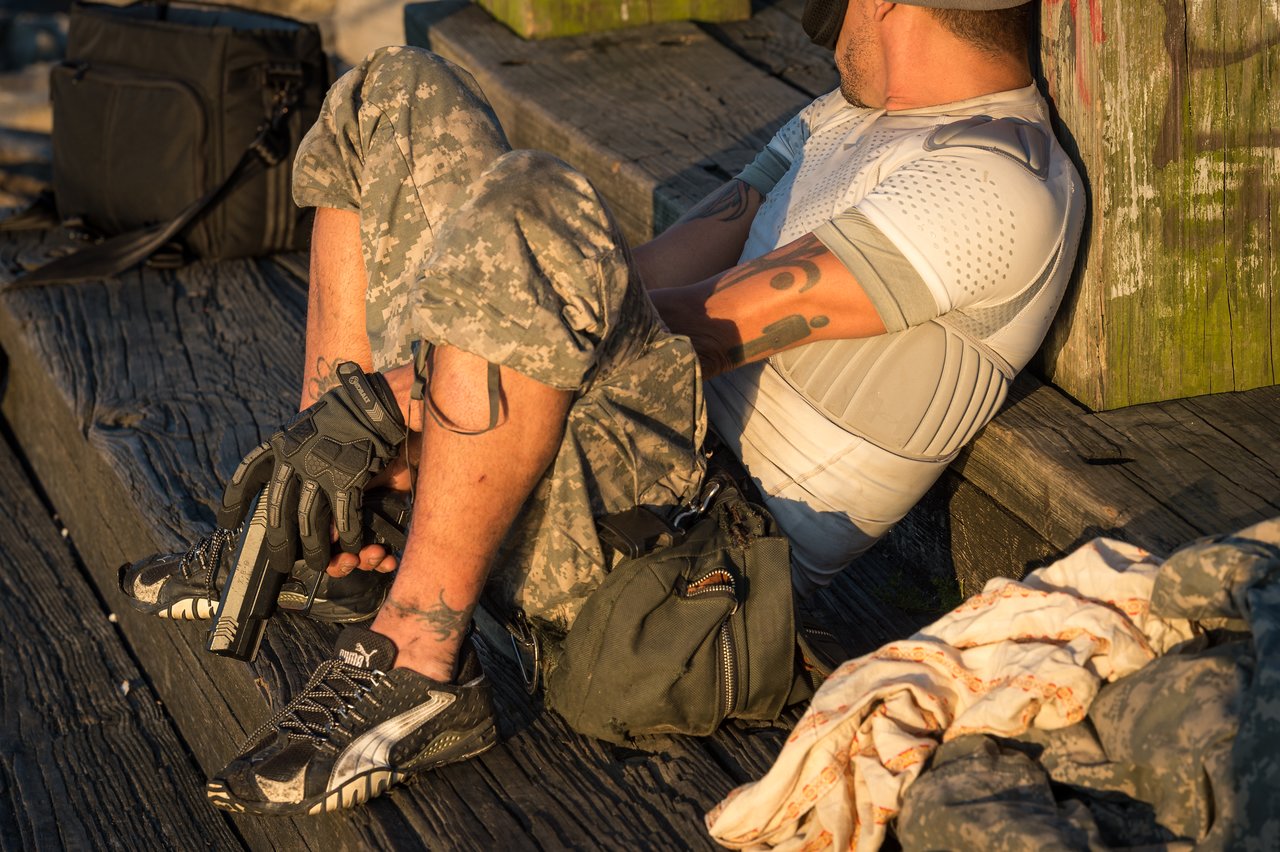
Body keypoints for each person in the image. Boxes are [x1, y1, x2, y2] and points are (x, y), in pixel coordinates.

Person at [121, 0, 1083, 816]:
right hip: (622, 444)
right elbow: (645, 277)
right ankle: (335, 521)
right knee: (392, 93)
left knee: (533, 204)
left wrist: (420, 386)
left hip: (688, 555)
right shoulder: (847, 114)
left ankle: (418, 655)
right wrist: (427, 381)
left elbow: (694, 330)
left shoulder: (993, 183)